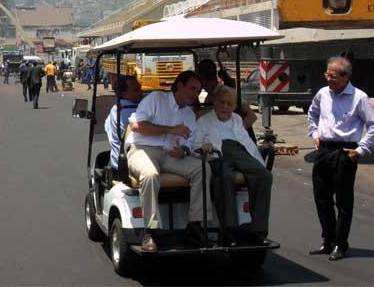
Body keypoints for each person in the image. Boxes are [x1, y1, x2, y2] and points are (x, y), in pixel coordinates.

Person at [127, 71, 213, 252]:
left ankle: (195, 225)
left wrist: (184, 150)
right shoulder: (156, 99)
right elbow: (137, 126)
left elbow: (190, 142)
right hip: (143, 149)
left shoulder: (189, 114)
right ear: (180, 85)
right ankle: (150, 231)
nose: (195, 94)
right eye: (192, 88)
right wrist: (171, 130)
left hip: (169, 155)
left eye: (198, 91)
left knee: (202, 168)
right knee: (150, 174)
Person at [308, 57, 374, 261]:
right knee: (321, 198)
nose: (329, 80)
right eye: (327, 75)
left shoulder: (359, 97)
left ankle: (340, 243)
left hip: (345, 151)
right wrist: (314, 135)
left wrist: (361, 150)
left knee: (343, 201)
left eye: (333, 76)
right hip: (324, 150)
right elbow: (312, 115)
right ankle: (327, 240)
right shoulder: (322, 94)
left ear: (346, 76)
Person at [193, 85, 272, 246]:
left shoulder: (236, 119)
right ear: (214, 102)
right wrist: (204, 148)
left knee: (264, 176)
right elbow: (195, 145)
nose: (225, 107)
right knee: (225, 176)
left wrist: (258, 155)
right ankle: (229, 230)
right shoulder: (203, 121)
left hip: (239, 152)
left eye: (229, 104)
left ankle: (257, 230)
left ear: (235, 106)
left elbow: (246, 142)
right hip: (217, 153)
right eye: (222, 102)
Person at [104, 76, 143, 171]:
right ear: (124, 93)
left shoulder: (116, 109)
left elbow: (107, 127)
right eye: (136, 90)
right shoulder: (138, 111)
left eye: (140, 88)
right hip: (130, 162)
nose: (141, 92)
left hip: (117, 161)